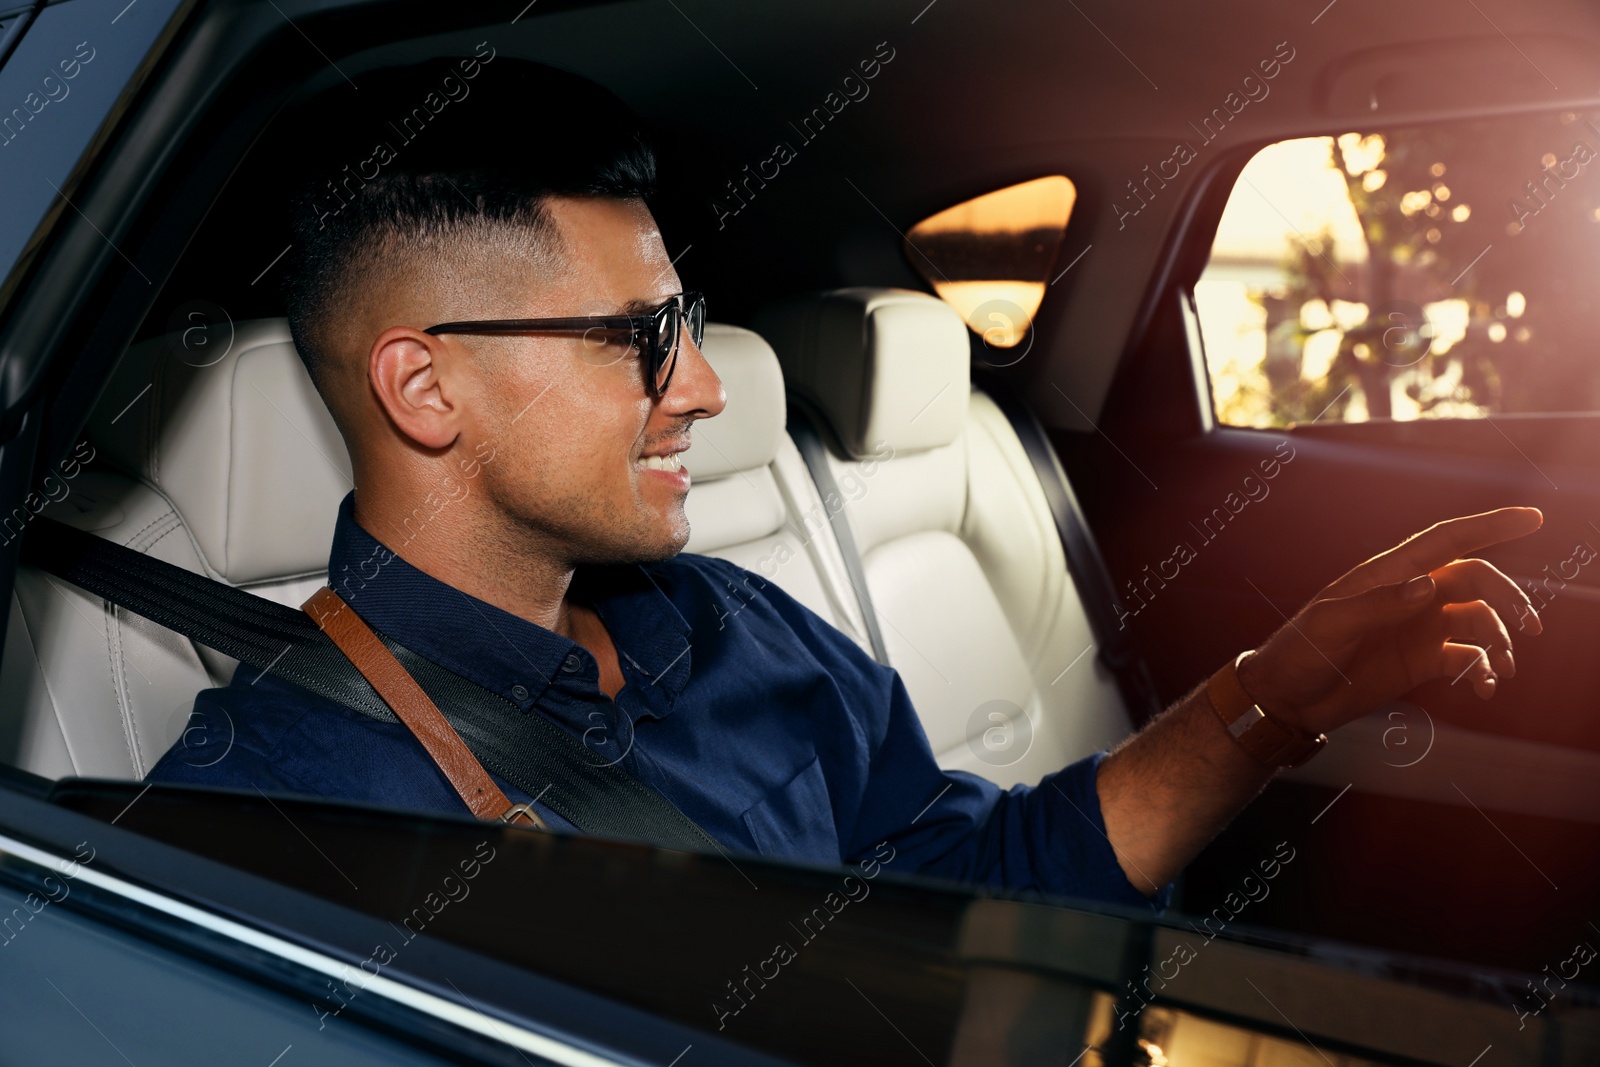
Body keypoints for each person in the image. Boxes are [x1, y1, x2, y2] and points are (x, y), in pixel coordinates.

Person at [147, 56, 1543, 909]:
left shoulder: (729, 627)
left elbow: (974, 890)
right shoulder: (261, 814)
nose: (698, 386)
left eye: (688, 328)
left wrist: (1274, 698)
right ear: (423, 390)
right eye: (643, 340)